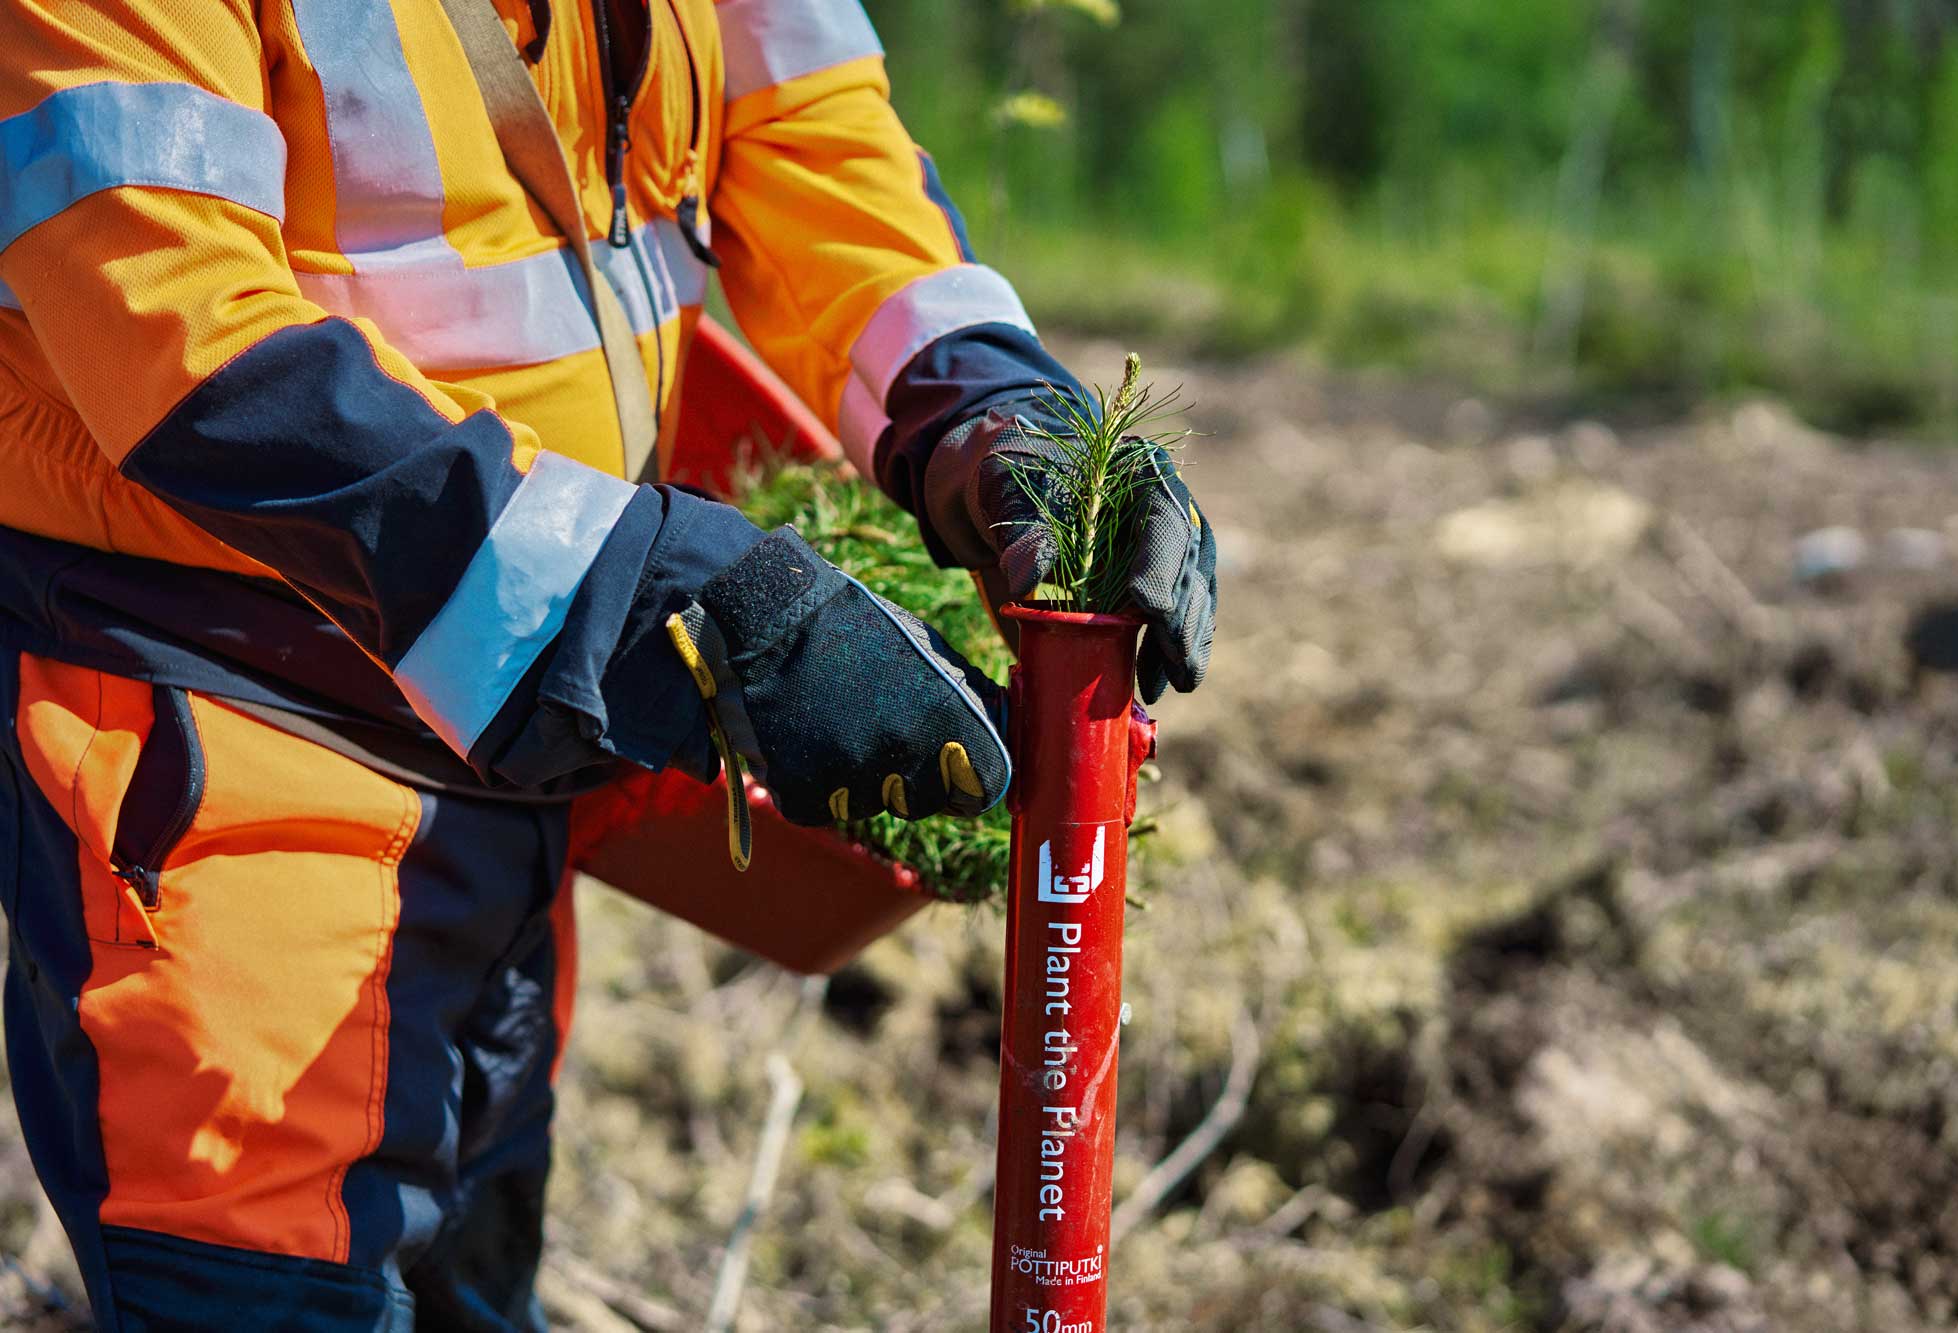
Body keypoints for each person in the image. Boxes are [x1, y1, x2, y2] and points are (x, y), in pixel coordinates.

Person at [0, 1, 1216, 1327]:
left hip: (505, 739)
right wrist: (638, 591)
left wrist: (975, 402)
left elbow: (798, 122)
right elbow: (175, 325)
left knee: (472, 1272)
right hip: (233, 749)